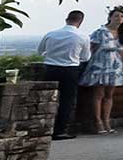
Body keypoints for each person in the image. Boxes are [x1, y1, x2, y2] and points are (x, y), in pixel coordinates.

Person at [37, 9, 92, 140]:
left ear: (66, 19)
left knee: (46, 99)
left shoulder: (51, 34)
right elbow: (85, 57)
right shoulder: (82, 36)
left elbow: (40, 51)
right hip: (70, 70)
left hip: (50, 68)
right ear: (80, 21)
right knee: (67, 101)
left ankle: (42, 128)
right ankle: (59, 130)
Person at [82, 6, 123, 135]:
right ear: (110, 17)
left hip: (115, 66)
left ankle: (107, 120)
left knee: (109, 95)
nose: (119, 18)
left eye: (121, 16)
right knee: (98, 95)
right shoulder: (100, 31)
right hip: (100, 65)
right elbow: (92, 48)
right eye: (116, 16)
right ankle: (98, 122)